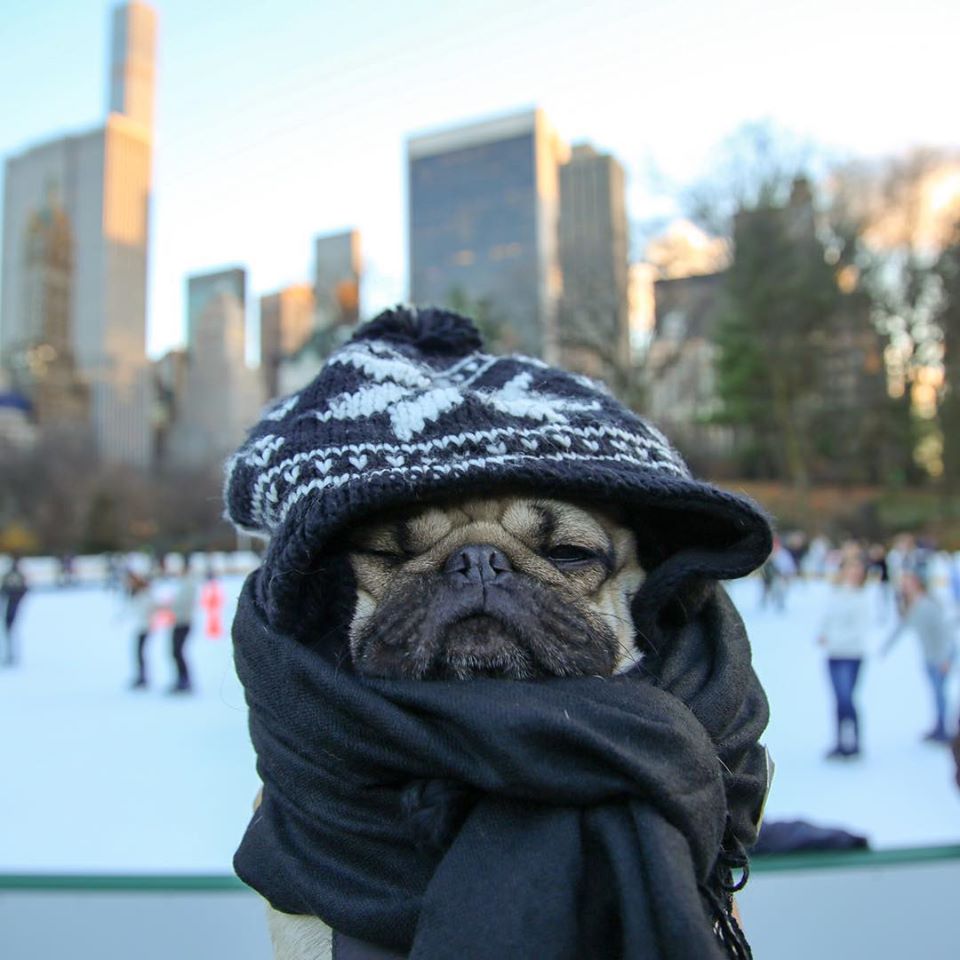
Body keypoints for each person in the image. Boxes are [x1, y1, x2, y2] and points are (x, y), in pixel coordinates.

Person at [883, 571, 957, 743]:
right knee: (935, 692)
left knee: (940, 693)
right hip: (929, 655)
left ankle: (945, 730)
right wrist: (885, 648)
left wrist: (945, 658)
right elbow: (901, 628)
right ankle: (939, 725)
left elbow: (944, 632)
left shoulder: (928, 604)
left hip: (942, 654)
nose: (906, 586)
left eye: (909, 582)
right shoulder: (910, 605)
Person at [817, 553, 872, 758]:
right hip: (834, 655)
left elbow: (859, 629)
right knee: (838, 700)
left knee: (847, 697)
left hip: (852, 654)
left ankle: (854, 740)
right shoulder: (835, 594)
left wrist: (833, 639)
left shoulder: (861, 598)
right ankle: (840, 741)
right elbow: (827, 619)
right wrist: (823, 635)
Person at [167, 559, 197, 693]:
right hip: (180, 621)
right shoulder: (185, 583)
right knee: (176, 652)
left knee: (177, 651)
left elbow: (182, 603)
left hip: (183, 622)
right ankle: (181, 678)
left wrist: (170, 606)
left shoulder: (188, 584)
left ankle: (184, 680)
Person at [127, 572, 156, 690]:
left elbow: (151, 608)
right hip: (140, 627)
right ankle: (141, 676)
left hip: (145, 627)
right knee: (138, 653)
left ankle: (143, 677)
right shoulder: (136, 594)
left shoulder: (145, 594)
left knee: (140, 653)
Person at [1, 557, 29, 667]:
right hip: (11, 606)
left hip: (12, 606)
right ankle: (10, 655)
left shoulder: (13, 575)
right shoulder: (13, 575)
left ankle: (11, 655)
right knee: (9, 630)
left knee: (10, 630)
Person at [199, 568, 225, 640]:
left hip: (214, 605)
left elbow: (219, 595)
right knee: (211, 619)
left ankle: (216, 632)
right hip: (211, 605)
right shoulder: (208, 585)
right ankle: (212, 632)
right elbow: (205, 596)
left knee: (215, 618)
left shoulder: (215, 585)